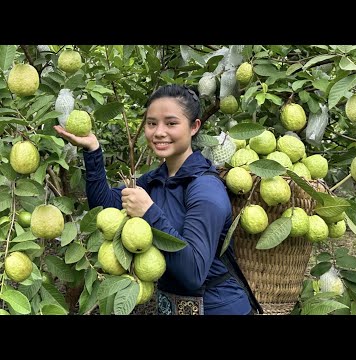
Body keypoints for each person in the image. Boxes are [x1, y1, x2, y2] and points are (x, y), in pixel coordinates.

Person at [54, 84, 254, 315]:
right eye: (151, 123)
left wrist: (149, 212)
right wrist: (92, 150)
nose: (159, 132)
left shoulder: (206, 189)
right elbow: (104, 207)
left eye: (171, 123)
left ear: (194, 127)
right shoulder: (156, 179)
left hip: (220, 308)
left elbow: (193, 273)